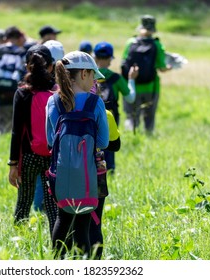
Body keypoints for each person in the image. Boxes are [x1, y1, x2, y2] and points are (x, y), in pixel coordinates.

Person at [46, 51, 109, 259]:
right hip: (88, 173)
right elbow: (103, 142)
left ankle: (56, 264)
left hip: (60, 172)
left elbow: (49, 140)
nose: (94, 80)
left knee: (62, 220)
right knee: (83, 224)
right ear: (83, 74)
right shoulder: (95, 102)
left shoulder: (53, 102)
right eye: (92, 75)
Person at [7, 44, 58, 234]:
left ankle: (19, 240)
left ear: (27, 66)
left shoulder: (22, 93)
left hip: (29, 157)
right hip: (53, 158)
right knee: (53, 205)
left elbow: (16, 132)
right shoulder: (58, 92)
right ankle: (57, 245)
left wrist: (13, 164)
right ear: (51, 66)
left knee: (24, 201)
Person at [89, 66, 138, 260]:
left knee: (67, 220)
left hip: (65, 171)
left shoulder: (58, 105)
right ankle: (94, 263)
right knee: (95, 220)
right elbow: (114, 145)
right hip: (96, 173)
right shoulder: (105, 112)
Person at [121, 15, 172, 134]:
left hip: (131, 86)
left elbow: (124, 63)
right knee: (149, 116)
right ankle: (148, 136)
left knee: (132, 116)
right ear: (154, 29)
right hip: (151, 87)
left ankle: (132, 138)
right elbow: (162, 68)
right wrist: (169, 67)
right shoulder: (157, 45)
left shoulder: (130, 42)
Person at [32, 40, 65, 212]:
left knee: (39, 180)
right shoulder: (62, 88)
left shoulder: (30, 86)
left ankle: (38, 213)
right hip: (58, 144)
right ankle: (53, 212)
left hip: (36, 144)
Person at [0, 26, 37, 135]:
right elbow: (25, 75)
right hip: (15, 94)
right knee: (13, 127)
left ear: (5, 38)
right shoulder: (22, 53)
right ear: (19, 39)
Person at [93, 41, 135, 172]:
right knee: (110, 145)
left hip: (91, 117)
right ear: (111, 58)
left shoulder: (88, 76)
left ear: (94, 57)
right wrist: (131, 79)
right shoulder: (116, 78)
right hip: (111, 117)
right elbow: (130, 98)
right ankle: (109, 170)